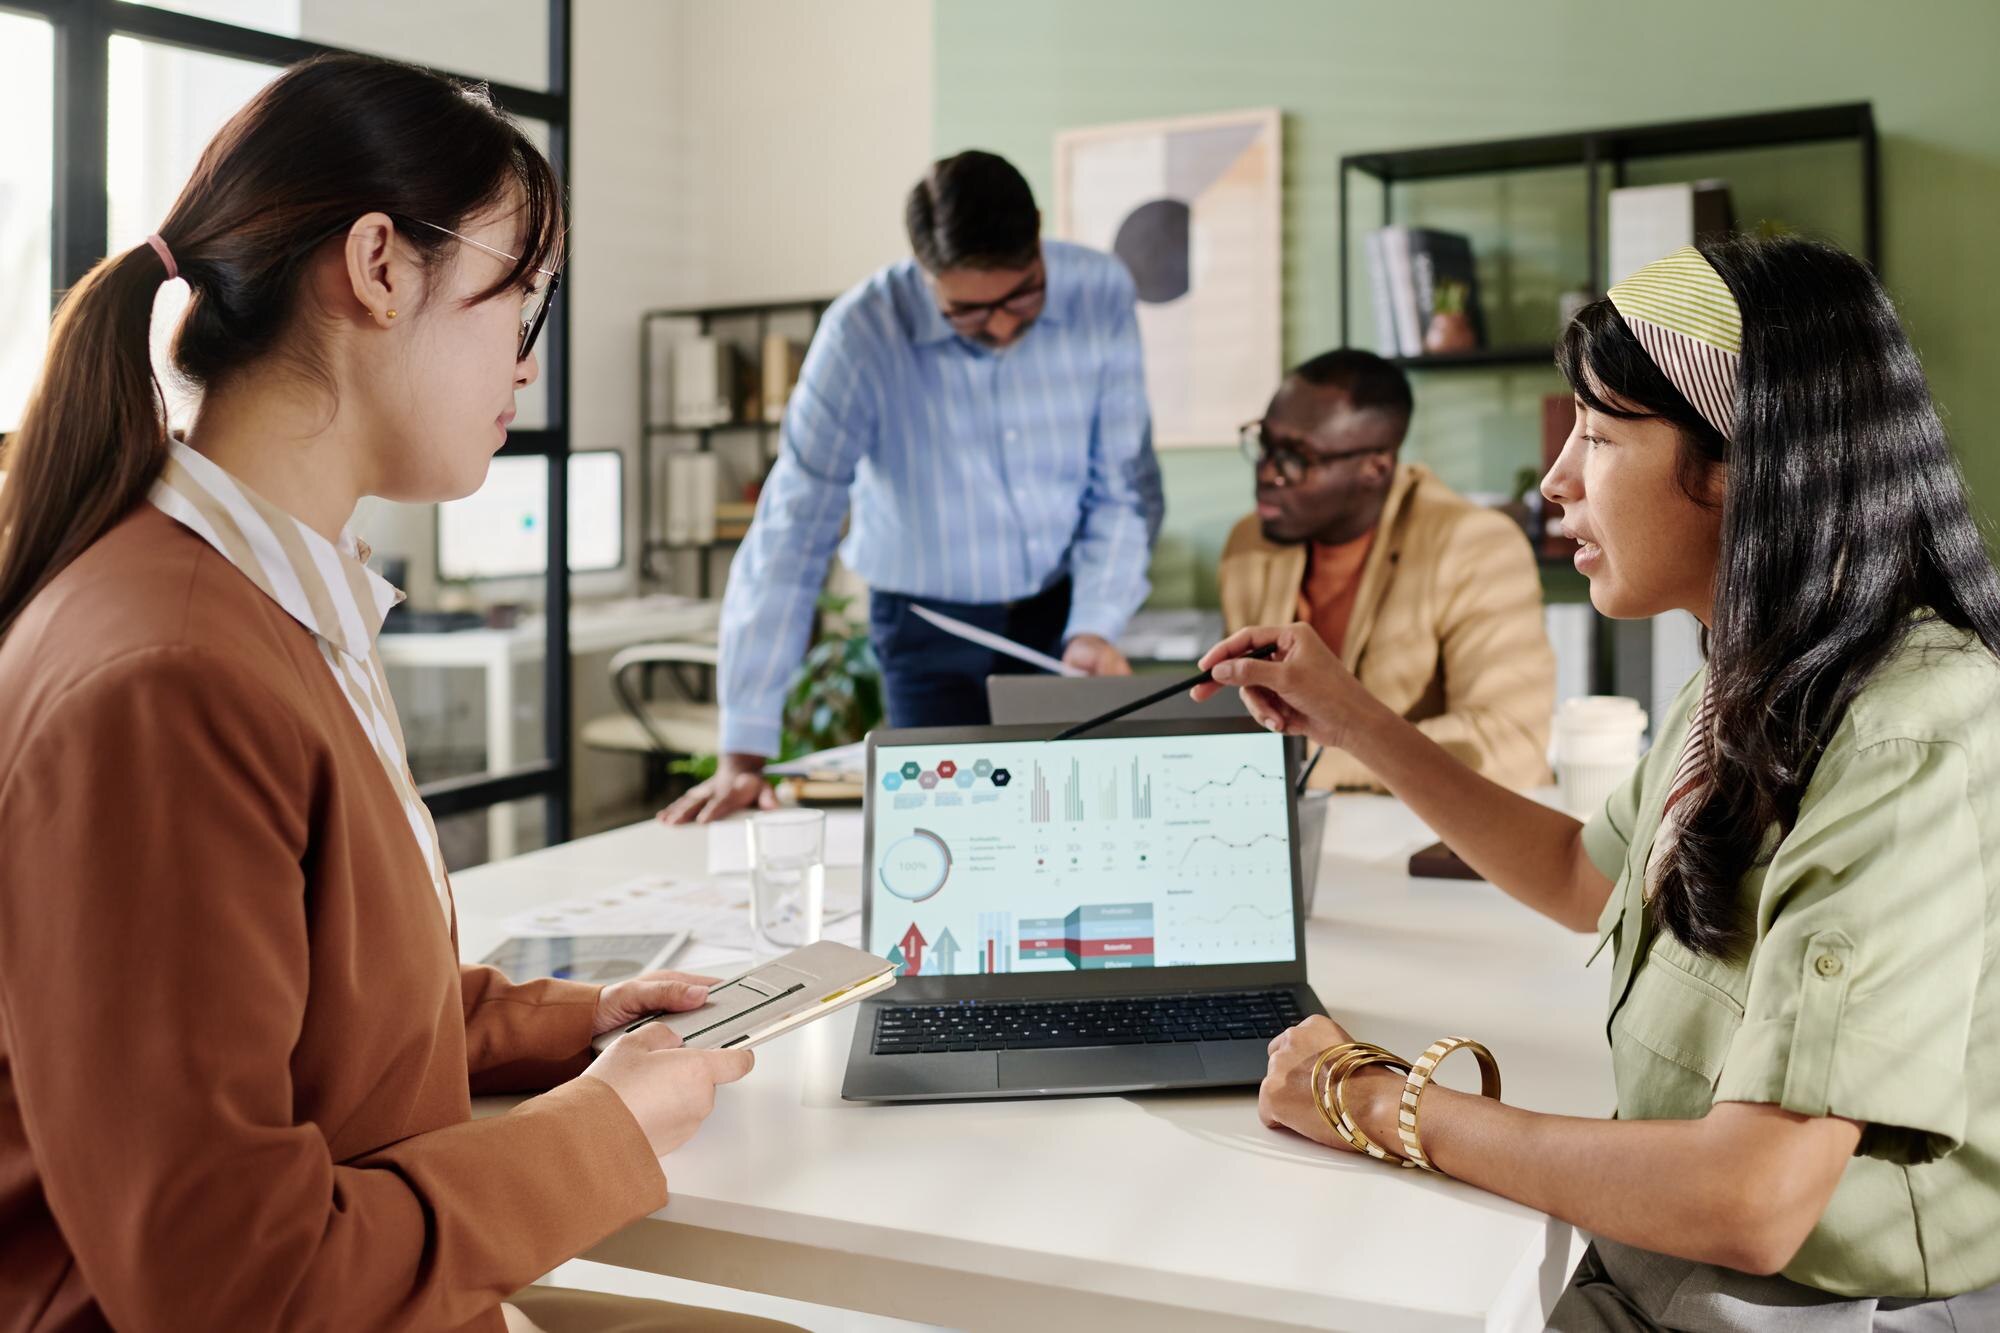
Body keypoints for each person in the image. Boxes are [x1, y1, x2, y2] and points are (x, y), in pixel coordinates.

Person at [0, 55, 795, 1333]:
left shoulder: (268, 597)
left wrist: (566, 1023)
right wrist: (604, 1132)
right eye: (518, 301)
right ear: (376, 267)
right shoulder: (170, 676)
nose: (527, 365)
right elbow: (229, 1282)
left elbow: (301, 1008)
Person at [1198, 238, 2000, 1327]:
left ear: (1741, 466)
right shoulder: (1751, 670)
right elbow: (1586, 872)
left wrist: (1377, 1101)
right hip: (1670, 1267)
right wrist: (1353, 719)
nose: (1555, 478)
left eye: (1599, 433)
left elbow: (1751, 1198)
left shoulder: (1908, 732)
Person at [663, 150, 1163, 824]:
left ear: (1039, 233)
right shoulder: (862, 332)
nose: (1004, 325)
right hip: (926, 629)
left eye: (1022, 295)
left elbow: (1122, 485)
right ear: (925, 272)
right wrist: (743, 750)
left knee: (1068, 826)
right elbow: (794, 524)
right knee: (941, 836)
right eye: (968, 312)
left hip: (1060, 616)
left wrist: (1098, 624)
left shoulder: (1100, 290)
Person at [1223, 349, 1554, 791]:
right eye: (1264, 445)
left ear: (1374, 468)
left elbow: (1510, 745)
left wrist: (1308, 758)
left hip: (1429, 840)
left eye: (1295, 458)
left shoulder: (1477, 545)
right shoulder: (1250, 546)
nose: (1267, 473)